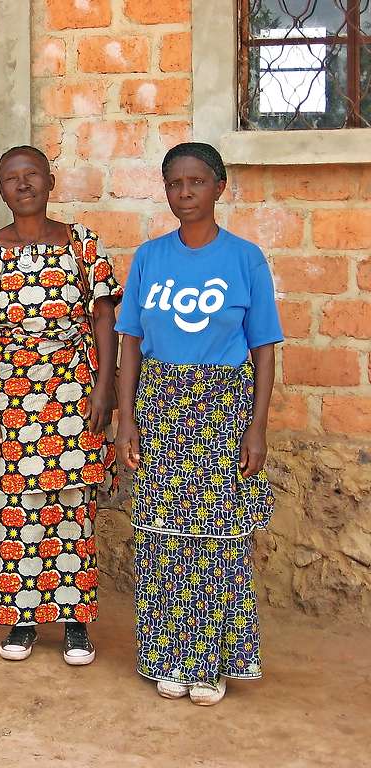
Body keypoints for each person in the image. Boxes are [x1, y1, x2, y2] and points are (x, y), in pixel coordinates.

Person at [116, 142, 283, 706]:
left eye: (196, 182)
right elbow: (130, 345)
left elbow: (263, 348)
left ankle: (211, 662)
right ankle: (167, 657)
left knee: (216, 542)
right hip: (161, 406)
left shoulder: (245, 259)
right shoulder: (149, 257)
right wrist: (126, 419)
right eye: (174, 184)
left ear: (219, 186)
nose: (184, 193)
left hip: (222, 409)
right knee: (163, 540)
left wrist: (256, 427)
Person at [0, 146, 121, 664]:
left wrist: (104, 390)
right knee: (17, 510)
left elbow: (105, 320)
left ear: (49, 181)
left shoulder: (84, 244)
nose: (23, 186)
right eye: (11, 179)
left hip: (75, 393)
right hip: (13, 399)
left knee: (73, 509)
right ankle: (22, 622)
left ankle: (74, 625)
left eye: (32, 176)